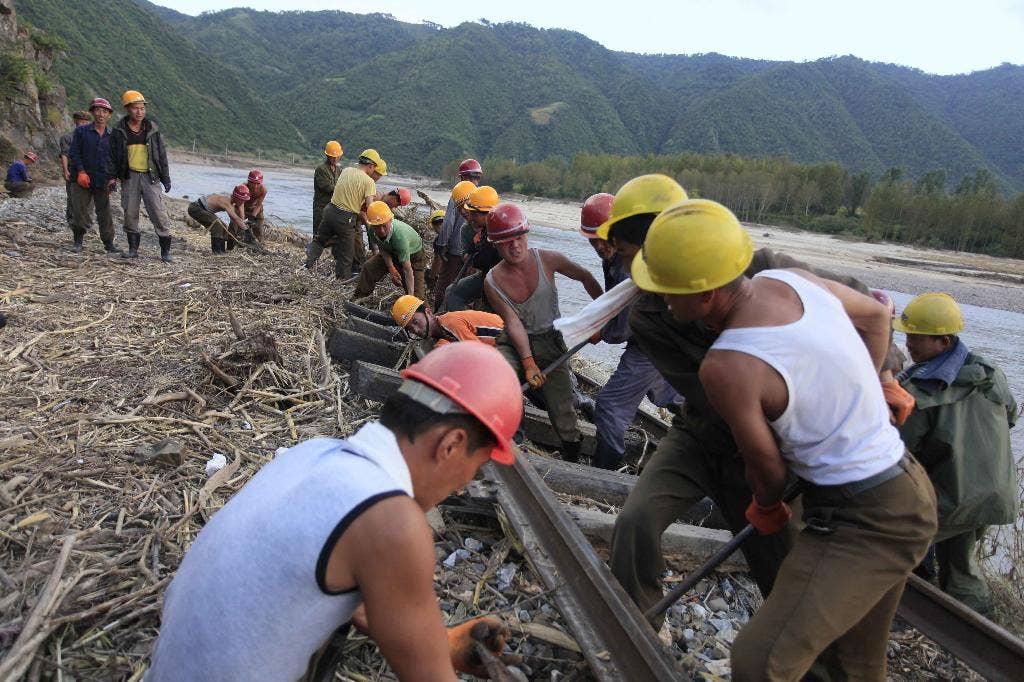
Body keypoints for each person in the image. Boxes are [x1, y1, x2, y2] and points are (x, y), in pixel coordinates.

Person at [632, 197, 937, 681]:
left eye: (668, 291)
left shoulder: (727, 365)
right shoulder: (790, 280)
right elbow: (877, 318)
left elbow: (768, 471)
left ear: (707, 294)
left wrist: (767, 507)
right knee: (852, 663)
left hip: (863, 516)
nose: (661, 301)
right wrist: (876, 386)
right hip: (905, 487)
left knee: (758, 661)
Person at [602, 175, 892, 633]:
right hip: (705, 436)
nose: (633, 269)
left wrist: (884, 374)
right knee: (635, 524)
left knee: (779, 561)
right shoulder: (649, 317)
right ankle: (634, 630)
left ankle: (797, 648)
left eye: (630, 253)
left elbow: (863, 307)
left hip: (765, 446)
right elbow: (709, 397)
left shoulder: (764, 269)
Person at [148, 342, 521, 681]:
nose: (463, 485)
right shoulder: (390, 519)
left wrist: (440, 643)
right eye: (476, 468)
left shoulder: (313, 455)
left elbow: (337, 599)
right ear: (452, 445)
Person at [895, 293, 1018, 616]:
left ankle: (917, 619)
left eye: (916, 338)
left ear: (944, 341)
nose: (908, 344)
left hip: (955, 496)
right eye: (907, 335)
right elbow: (1012, 415)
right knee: (960, 562)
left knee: (895, 545)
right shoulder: (990, 373)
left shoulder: (919, 392)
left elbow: (895, 450)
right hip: (994, 493)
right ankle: (974, 631)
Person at [484, 202, 603, 463]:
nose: (514, 246)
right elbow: (513, 324)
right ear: (495, 244)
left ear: (526, 235)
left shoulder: (548, 259)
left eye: (519, 237)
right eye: (505, 242)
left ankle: (572, 453)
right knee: (502, 376)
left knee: (562, 411)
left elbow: (585, 276)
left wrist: (601, 320)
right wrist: (527, 363)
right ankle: (514, 440)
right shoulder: (492, 281)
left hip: (551, 341)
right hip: (515, 343)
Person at [580, 191, 678, 470]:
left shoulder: (629, 264)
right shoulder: (610, 256)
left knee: (610, 405)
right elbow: (616, 303)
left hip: (653, 343)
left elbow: (623, 324)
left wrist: (603, 333)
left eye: (604, 238)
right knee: (669, 396)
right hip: (654, 342)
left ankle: (607, 470)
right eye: (592, 240)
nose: (599, 246)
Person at [108, 90, 173, 262]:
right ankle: (132, 250)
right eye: (136, 108)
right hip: (129, 177)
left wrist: (166, 178)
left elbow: (161, 154)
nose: (140, 112)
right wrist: (112, 177)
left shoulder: (152, 129)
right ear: (127, 109)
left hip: (151, 177)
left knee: (158, 213)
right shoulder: (119, 130)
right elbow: (113, 156)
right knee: (130, 213)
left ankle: (165, 252)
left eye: (142, 108)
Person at [305, 149, 386, 278]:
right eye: (374, 168)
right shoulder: (369, 182)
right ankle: (342, 280)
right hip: (345, 217)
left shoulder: (346, 170)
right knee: (346, 254)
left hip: (329, 210)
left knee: (319, 240)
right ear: (371, 166)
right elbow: (371, 208)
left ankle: (307, 266)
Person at [68, 98, 120, 254]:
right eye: (97, 110)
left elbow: (116, 159)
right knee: (79, 210)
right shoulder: (81, 132)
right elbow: (74, 153)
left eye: (105, 111)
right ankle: (78, 241)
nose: (101, 114)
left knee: (105, 212)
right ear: (92, 112)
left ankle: (109, 244)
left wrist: (113, 179)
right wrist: (81, 171)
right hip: (82, 179)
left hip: (103, 180)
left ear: (109, 115)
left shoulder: (113, 136)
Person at [433, 160, 483, 309]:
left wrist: (441, 245)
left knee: (445, 284)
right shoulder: (482, 196)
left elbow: (448, 223)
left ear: (463, 177)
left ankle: (439, 315)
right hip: (473, 254)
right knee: (468, 291)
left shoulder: (459, 194)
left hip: (456, 251)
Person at [444, 185, 502, 312]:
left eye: (473, 213)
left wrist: (480, 246)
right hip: (486, 275)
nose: (467, 214)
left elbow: (483, 260)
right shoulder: (467, 229)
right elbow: (469, 256)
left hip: (500, 281)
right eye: (460, 209)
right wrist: (475, 248)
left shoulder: (499, 229)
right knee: (452, 292)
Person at [354, 201, 427, 299]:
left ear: (390, 220)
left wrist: (410, 297)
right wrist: (391, 268)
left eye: (384, 226)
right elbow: (383, 248)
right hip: (391, 251)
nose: (382, 231)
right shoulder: (372, 230)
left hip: (413, 255)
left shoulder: (399, 236)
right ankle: (358, 298)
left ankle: (417, 309)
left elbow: (407, 269)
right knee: (369, 267)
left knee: (416, 295)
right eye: (377, 227)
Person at [392, 294, 503, 347]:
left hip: (511, 342)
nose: (416, 330)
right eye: (410, 329)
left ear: (429, 312)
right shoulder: (441, 332)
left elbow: (478, 354)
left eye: (416, 322)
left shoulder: (450, 323)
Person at [187, 185, 252, 254]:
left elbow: (241, 219)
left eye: (244, 200)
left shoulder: (237, 201)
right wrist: (247, 231)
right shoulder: (227, 202)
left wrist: (244, 225)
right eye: (242, 200)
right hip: (196, 208)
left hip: (205, 210)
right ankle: (217, 252)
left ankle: (222, 251)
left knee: (224, 227)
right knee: (217, 226)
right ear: (236, 197)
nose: (243, 202)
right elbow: (235, 219)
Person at [59, 111, 92, 233]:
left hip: (88, 171)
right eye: (81, 121)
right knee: (72, 196)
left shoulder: (91, 137)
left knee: (90, 198)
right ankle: (72, 220)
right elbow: (64, 155)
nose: (83, 124)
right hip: (73, 170)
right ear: (75, 121)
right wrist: (65, 170)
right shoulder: (67, 137)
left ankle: (87, 221)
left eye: (86, 122)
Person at [313, 140, 343, 233]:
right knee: (319, 233)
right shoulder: (321, 169)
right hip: (321, 207)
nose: (334, 159)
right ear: (327, 156)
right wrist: (344, 190)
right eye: (332, 157)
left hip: (333, 207)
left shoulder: (339, 170)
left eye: (336, 157)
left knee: (331, 234)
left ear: (340, 156)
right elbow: (328, 187)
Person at [242, 169, 268, 242]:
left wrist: (252, 217)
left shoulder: (263, 190)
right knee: (236, 225)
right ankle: (231, 245)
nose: (255, 186)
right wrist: (240, 218)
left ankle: (260, 243)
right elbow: (240, 204)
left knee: (258, 229)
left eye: (258, 183)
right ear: (249, 182)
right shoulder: (244, 187)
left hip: (256, 208)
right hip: (243, 207)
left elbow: (259, 205)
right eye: (253, 183)